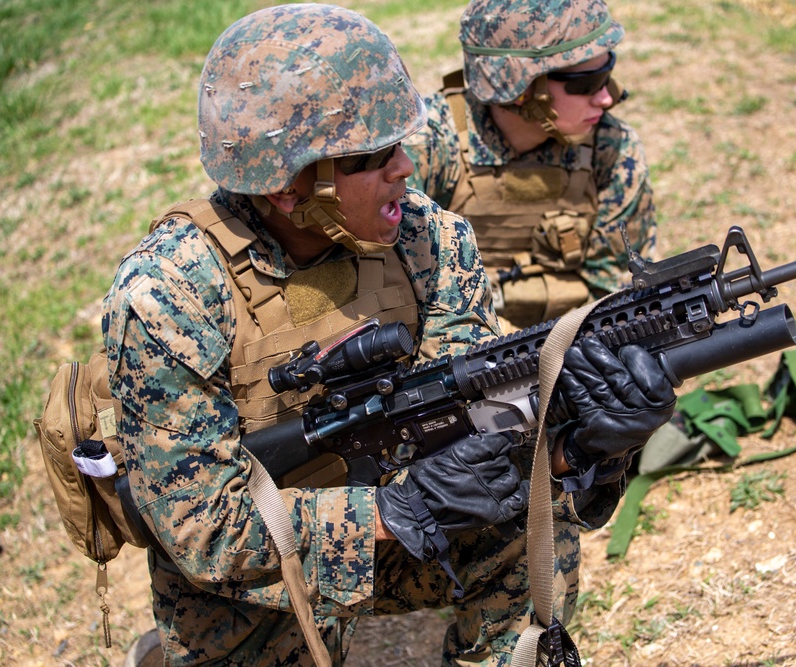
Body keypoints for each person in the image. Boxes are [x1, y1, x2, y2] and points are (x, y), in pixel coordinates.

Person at [104, 4, 674, 666]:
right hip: (247, 583)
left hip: (390, 518)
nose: (407, 166)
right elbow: (207, 531)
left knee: (528, 525)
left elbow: (473, 428)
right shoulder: (168, 297)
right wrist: (392, 510)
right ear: (291, 188)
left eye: (401, 145)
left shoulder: (429, 239)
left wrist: (584, 442)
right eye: (375, 156)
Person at [403, 0, 656, 332]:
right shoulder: (430, 148)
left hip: (578, 344)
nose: (606, 98)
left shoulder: (610, 148)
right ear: (520, 87)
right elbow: (404, 301)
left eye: (608, 72)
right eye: (587, 83)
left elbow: (618, 291)